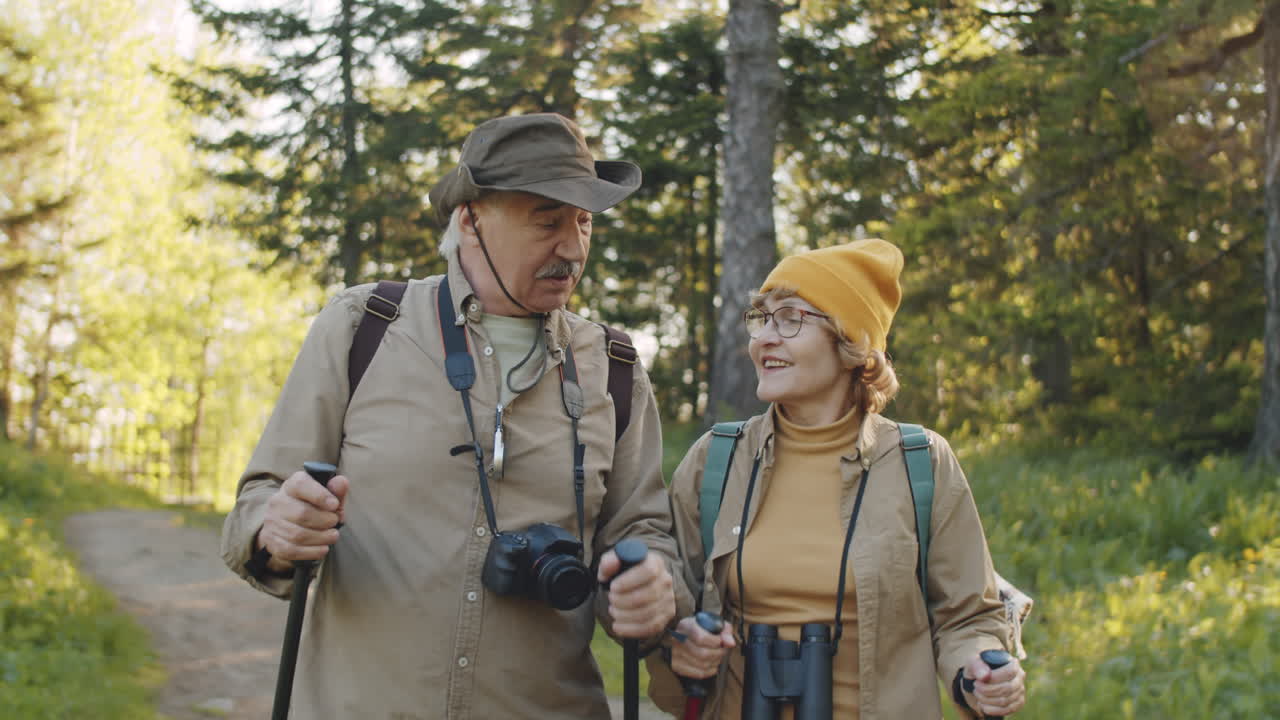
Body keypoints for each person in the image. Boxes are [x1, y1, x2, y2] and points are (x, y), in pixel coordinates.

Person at [220, 112, 692, 719]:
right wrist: (276, 528)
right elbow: (259, 500)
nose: (572, 248)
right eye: (546, 220)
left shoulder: (615, 366)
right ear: (470, 220)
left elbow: (642, 534)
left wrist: (651, 584)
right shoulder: (364, 327)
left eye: (584, 221)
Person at [646, 239, 1027, 719]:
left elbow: (967, 617)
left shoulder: (921, 463)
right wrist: (683, 640)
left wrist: (979, 671)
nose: (764, 337)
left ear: (851, 341)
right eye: (761, 318)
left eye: (790, 318)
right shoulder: (716, 460)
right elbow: (668, 602)